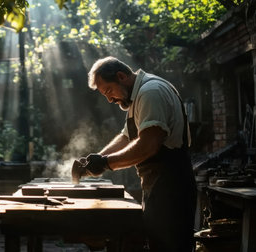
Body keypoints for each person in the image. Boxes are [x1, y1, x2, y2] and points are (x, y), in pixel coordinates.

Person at [72, 56, 197, 252]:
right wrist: (95, 160)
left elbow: (148, 144)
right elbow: (126, 137)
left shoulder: (150, 92)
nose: (110, 99)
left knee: (171, 246)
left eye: (109, 91)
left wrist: (106, 163)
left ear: (121, 76)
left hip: (171, 186)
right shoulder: (138, 97)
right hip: (157, 185)